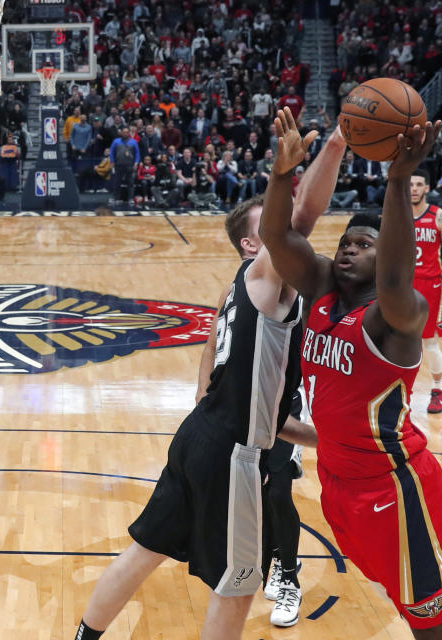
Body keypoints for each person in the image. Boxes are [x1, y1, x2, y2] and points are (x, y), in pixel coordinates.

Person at [72, 118, 348, 640]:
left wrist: (325, 438)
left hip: (201, 432)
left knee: (144, 549)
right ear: (254, 245)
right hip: (230, 452)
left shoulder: (235, 293)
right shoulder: (268, 276)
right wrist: (332, 144)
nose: (284, 225)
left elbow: (237, 397)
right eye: (272, 224)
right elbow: (305, 214)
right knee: (240, 584)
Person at [260, 109, 442, 638]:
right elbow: (276, 238)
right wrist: (281, 173)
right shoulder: (322, 293)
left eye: (365, 245)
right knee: (411, 613)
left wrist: (398, 178)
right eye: (345, 243)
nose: (349, 250)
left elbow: (399, 273)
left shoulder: (397, 317)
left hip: (395, 488)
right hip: (338, 484)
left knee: (435, 627)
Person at [408, 170, 442, 413]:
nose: (414, 189)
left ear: (426, 188)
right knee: (400, 341)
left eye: (418, 184)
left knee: (429, 341)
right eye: (410, 185)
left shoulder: (441, 217)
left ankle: (437, 390)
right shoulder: (397, 215)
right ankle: (401, 392)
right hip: (402, 286)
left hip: (430, 286)